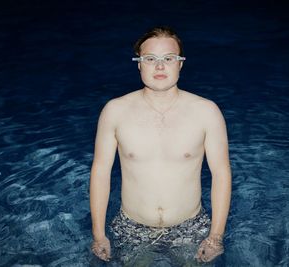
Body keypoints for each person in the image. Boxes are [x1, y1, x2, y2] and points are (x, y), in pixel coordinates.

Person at [89, 26, 232, 264]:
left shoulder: (207, 112)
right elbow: (100, 172)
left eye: (168, 58)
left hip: (191, 227)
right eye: (150, 59)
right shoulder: (115, 111)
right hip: (132, 228)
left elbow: (221, 173)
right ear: (139, 64)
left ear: (180, 64)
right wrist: (98, 234)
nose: (159, 66)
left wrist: (215, 236)